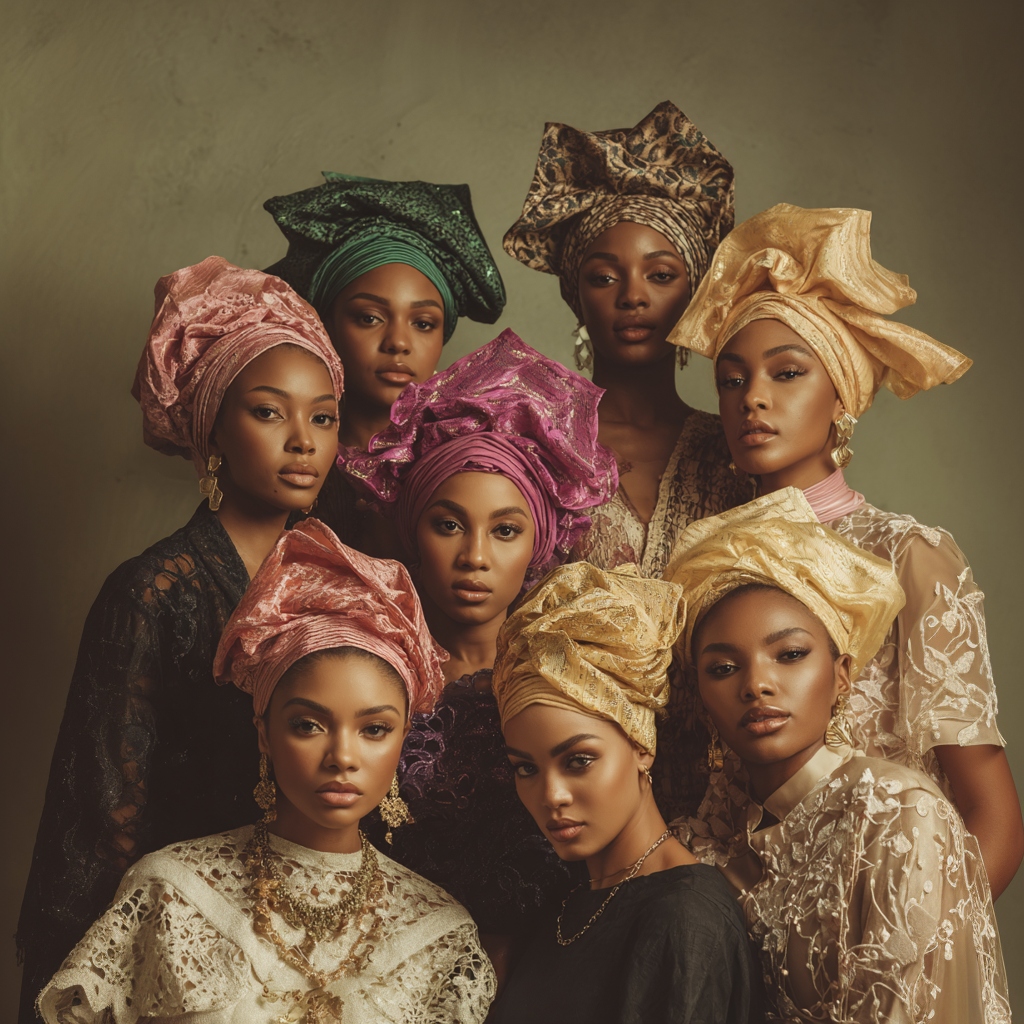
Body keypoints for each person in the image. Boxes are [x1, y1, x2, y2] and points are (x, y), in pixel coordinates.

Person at [17, 257, 345, 1021]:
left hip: (310, 946)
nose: (303, 440)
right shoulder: (152, 592)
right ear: (213, 431)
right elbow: (98, 819)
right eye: (270, 412)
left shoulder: (344, 584)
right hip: (177, 946)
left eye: (322, 416)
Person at [667, 203, 1024, 897]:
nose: (752, 400)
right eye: (732, 380)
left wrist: (912, 956)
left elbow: (994, 816)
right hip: (749, 936)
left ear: (842, 396)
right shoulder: (711, 564)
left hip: (889, 918)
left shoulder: (909, 555)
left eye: (787, 373)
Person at [37, 519, 494, 1024]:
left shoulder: (441, 935)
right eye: (308, 724)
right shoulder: (170, 893)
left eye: (374, 729)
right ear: (264, 733)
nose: (342, 756)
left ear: (404, 737)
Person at [342, 329, 619, 976]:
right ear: (412, 530)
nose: (474, 558)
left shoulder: (576, 673)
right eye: (448, 525)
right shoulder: (364, 672)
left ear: (541, 541)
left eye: (505, 530)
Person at [666, 506, 1010, 1022]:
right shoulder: (710, 847)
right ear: (701, 694)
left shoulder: (899, 815)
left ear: (843, 675)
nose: (755, 684)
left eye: (789, 655)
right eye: (724, 668)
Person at [488, 561, 762, 1024]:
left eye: (578, 761)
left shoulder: (684, 918)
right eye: (526, 768)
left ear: (641, 747)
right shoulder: (571, 900)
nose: (550, 794)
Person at [504, 101, 748, 578]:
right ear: (577, 296)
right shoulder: (531, 442)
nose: (633, 296)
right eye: (604, 278)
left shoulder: (738, 449)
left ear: (694, 291)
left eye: (660, 274)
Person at [265, 172, 506, 555]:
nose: (398, 342)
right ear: (325, 323)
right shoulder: (285, 457)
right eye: (370, 318)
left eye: (423, 324)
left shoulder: (469, 466)